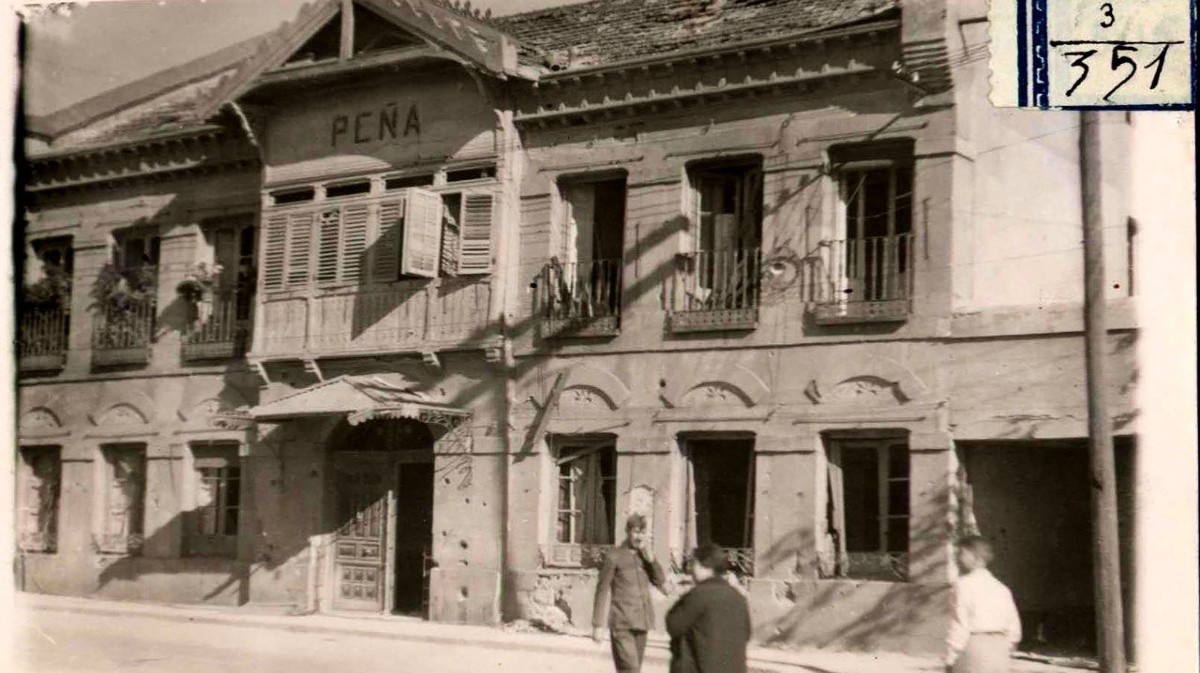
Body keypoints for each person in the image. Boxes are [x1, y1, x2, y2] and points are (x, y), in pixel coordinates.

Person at [592, 514, 668, 673]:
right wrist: (598, 625)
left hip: (642, 622)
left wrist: (652, 560)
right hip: (622, 624)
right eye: (636, 531)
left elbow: (661, 583)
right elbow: (602, 590)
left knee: (632, 670)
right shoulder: (615, 556)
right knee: (631, 670)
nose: (639, 537)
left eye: (642, 532)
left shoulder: (645, 556)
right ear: (627, 531)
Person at [665, 543, 752, 673]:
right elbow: (747, 633)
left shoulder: (697, 595)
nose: (690, 568)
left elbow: (673, 624)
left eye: (693, 563)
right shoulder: (738, 597)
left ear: (705, 566)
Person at [945, 535, 1023, 673]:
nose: (957, 559)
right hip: (1000, 651)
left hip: (974, 649)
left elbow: (960, 624)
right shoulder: (1001, 587)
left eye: (962, 554)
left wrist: (951, 658)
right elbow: (1014, 628)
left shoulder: (963, 585)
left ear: (976, 557)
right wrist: (1004, 650)